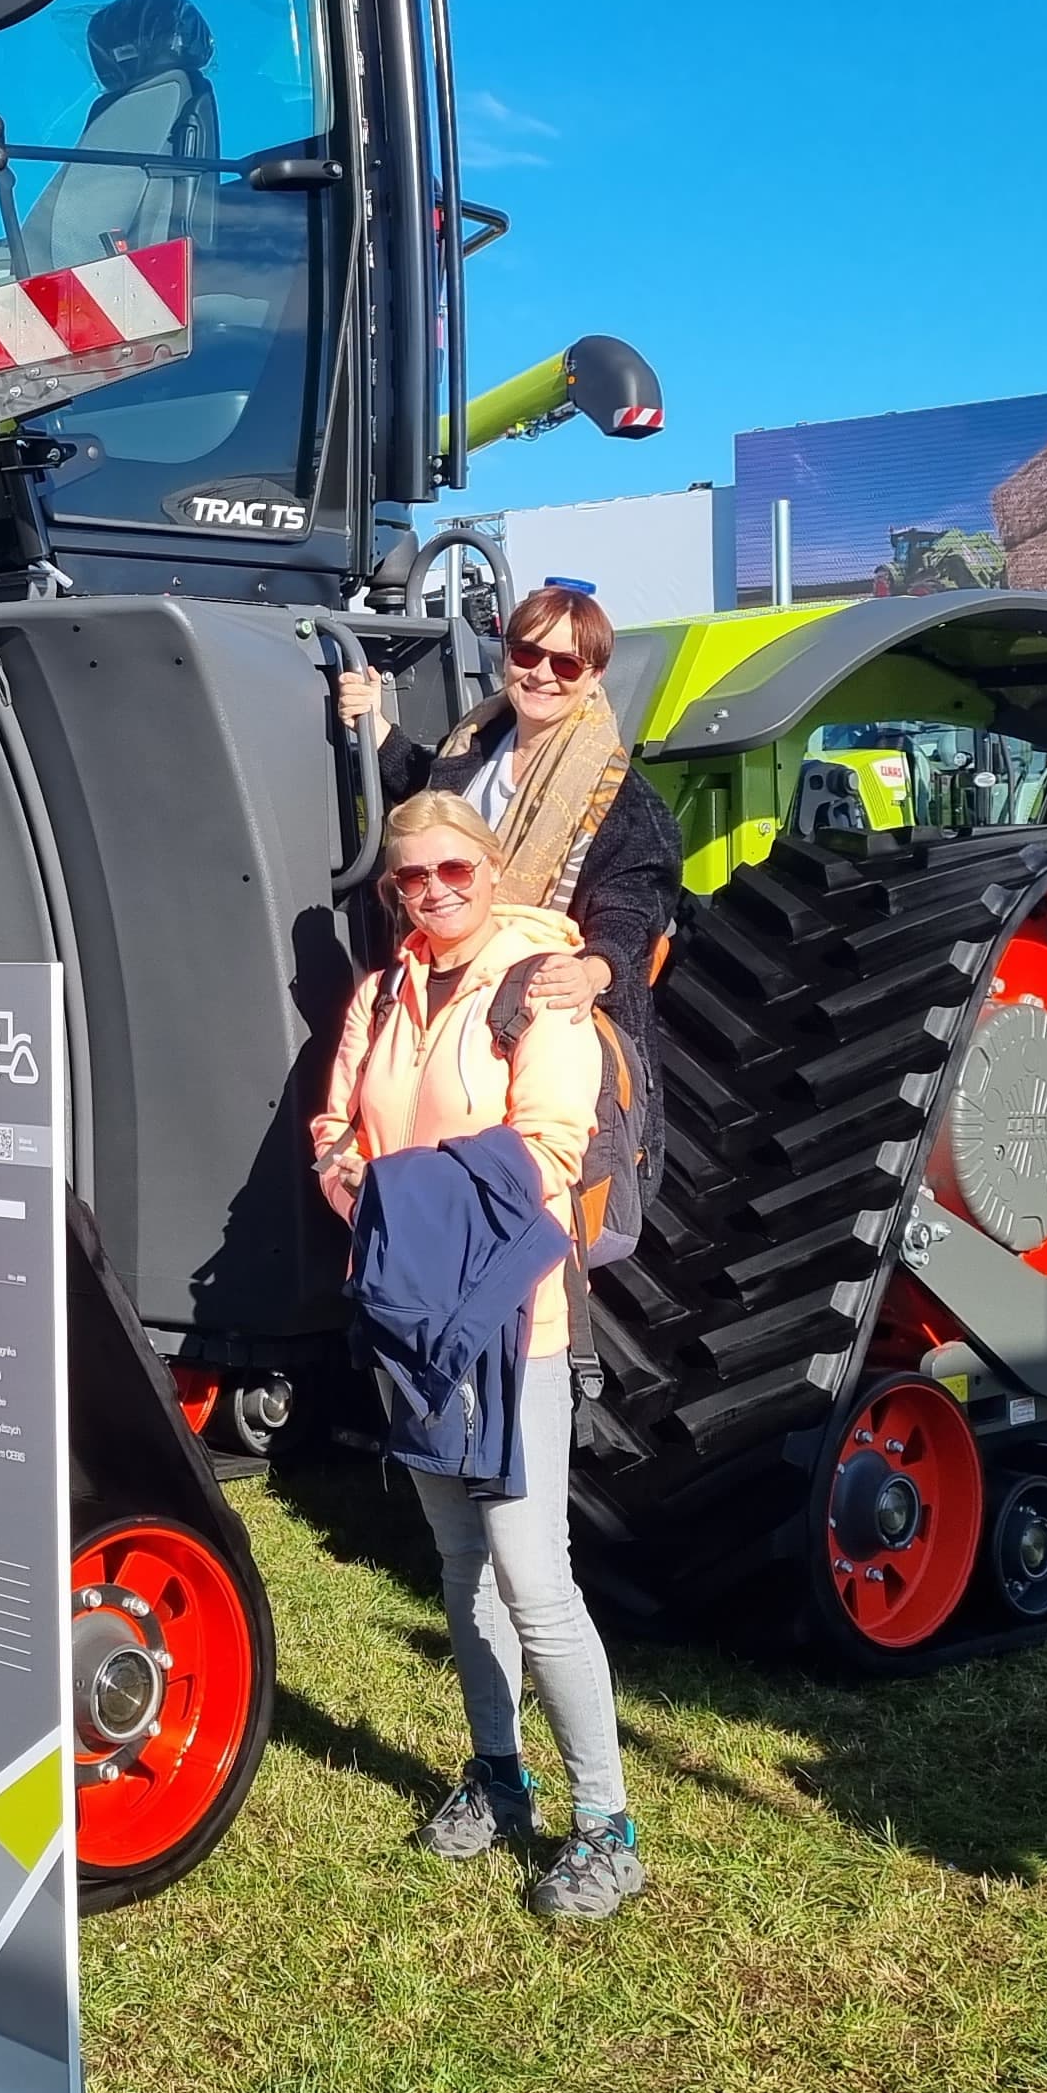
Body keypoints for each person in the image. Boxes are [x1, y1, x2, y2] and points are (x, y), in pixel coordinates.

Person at [312, 791, 644, 1924]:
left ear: (492, 868)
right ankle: (499, 1775)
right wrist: (350, 1177)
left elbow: (549, 1151)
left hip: (511, 1322)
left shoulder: (536, 986)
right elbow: (337, 1125)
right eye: (412, 878)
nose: (435, 892)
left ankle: (607, 1824)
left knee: (533, 1578)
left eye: (455, 870)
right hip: (409, 1321)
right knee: (460, 1567)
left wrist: (397, 1194)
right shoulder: (382, 992)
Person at [335, 582, 683, 1192]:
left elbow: (636, 906)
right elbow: (429, 799)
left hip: (541, 1021)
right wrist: (374, 723)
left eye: (567, 663)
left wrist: (595, 969)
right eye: (527, 654)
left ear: (595, 675)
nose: (543, 674)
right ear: (507, 656)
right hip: (452, 1009)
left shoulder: (625, 803)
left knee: (530, 1200)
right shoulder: (474, 746)